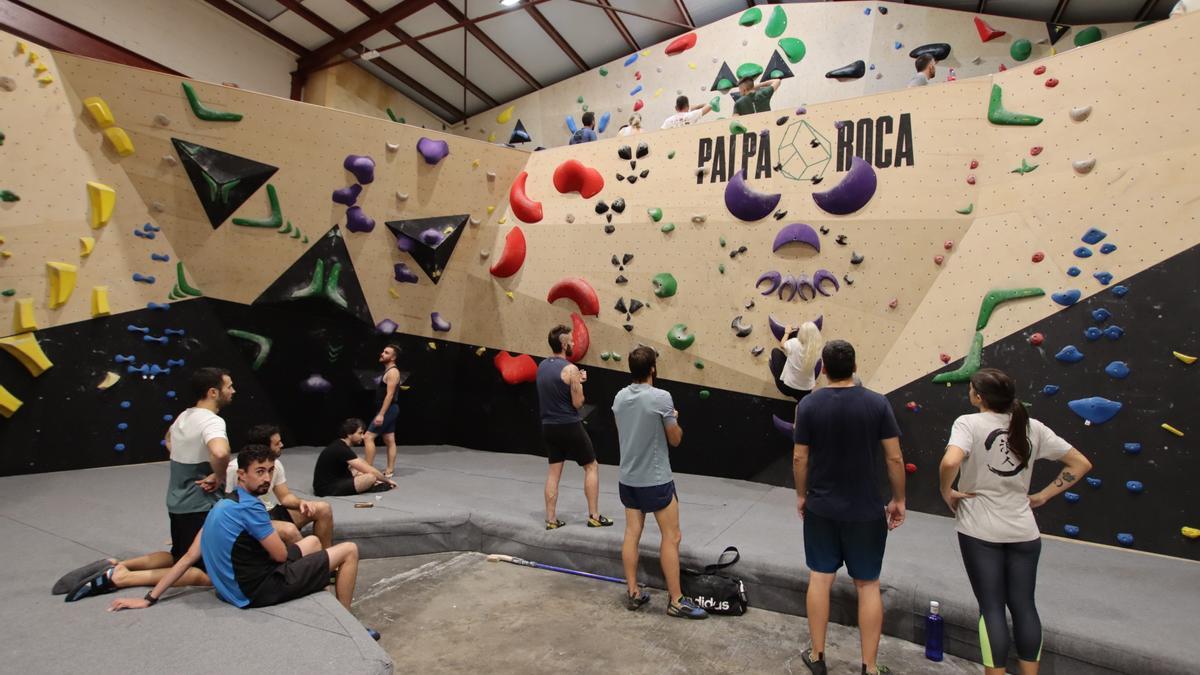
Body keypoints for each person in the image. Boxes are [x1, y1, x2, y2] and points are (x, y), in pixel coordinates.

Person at [108, 445, 369, 626]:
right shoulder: (252, 508)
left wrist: (149, 598)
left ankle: (316, 579)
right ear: (241, 475)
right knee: (349, 551)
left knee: (312, 541)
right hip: (258, 592)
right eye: (260, 471)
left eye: (269, 471)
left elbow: (188, 557)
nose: (267, 478)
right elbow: (279, 555)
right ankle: (348, 619)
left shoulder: (221, 504)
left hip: (231, 589)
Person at [940, 369, 1093, 675]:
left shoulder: (967, 423)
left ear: (978, 396)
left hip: (979, 530)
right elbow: (1081, 464)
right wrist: (1043, 496)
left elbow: (950, 461)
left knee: (992, 608)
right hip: (1024, 531)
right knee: (1024, 607)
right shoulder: (1033, 427)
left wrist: (947, 491)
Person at [63, 368, 234, 601]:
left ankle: (118, 563)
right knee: (204, 574)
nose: (233, 391)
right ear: (213, 392)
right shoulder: (213, 421)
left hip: (177, 502)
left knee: (179, 555)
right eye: (229, 387)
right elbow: (221, 451)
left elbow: (168, 440)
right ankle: (120, 577)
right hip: (200, 506)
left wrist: (191, 462)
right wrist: (219, 475)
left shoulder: (184, 416)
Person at [793, 341, 905, 675]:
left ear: (823, 368)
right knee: (868, 584)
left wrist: (801, 495)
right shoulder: (878, 404)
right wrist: (899, 499)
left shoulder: (808, 406)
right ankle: (869, 667)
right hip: (866, 511)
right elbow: (894, 457)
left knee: (820, 578)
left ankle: (817, 656)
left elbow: (800, 457)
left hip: (822, 508)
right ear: (855, 365)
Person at [614, 346, 707, 619]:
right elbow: (675, 439)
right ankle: (676, 600)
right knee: (672, 536)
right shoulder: (661, 398)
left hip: (627, 478)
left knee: (632, 533)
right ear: (652, 368)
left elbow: (624, 431)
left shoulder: (619, 397)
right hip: (655, 479)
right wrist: (674, 419)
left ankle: (633, 592)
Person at [537, 324, 612, 530]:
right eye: (570, 340)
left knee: (553, 472)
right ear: (563, 344)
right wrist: (578, 383)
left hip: (548, 426)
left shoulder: (542, 366)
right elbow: (578, 403)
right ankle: (594, 516)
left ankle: (551, 520)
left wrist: (576, 381)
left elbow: (555, 390)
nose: (573, 343)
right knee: (591, 466)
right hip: (569, 424)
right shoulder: (570, 369)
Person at [225, 424, 334, 548]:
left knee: (323, 508)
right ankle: (306, 563)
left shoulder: (276, 465)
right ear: (264, 447)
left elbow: (285, 496)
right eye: (277, 443)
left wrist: (300, 502)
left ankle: (326, 558)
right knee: (290, 530)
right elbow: (229, 504)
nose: (282, 445)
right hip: (250, 518)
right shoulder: (236, 469)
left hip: (269, 513)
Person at [313, 418, 397, 496]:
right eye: (360, 433)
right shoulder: (341, 449)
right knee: (371, 477)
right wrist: (387, 480)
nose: (363, 436)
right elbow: (369, 469)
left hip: (333, 480)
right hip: (326, 489)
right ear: (349, 434)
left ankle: (368, 484)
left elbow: (362, 463)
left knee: (357, 469)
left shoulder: (340, 444)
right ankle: (368, 486)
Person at [363, 344, 401, 478]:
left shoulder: (392, 372)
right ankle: (389, 470)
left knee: (368, 437)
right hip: (388, 409)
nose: (382, 354)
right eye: (383, 351)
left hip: (388, 410)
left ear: (393, 357)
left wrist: (381, 414)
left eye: (386, 352)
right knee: (389, 439)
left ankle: (367, 469)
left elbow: (389, 395)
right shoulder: (389, 371)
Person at [770, 322, 824, 401]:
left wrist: (787, 332)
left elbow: (782, 345)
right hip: (806, 391)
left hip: (787, 388)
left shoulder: (794, 342)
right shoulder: (818, 348)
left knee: (775, 352)